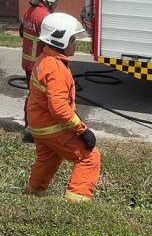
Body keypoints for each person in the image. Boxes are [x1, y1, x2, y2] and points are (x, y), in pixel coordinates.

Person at [24, 12, 101, 202]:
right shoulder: (56, 68)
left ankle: (32, 197)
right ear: (60, 41)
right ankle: (76, 205)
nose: (75, 44)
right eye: (72, 40)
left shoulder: (44, 59)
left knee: (48, 160)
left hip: (39, 125)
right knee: (89, 157)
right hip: (52, 126)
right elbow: (59, 109)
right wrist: (82, 130)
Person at [19, 0, 65, 141]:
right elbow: (52, 44)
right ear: (50, 0)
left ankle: (30, 127)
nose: (58, 5)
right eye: (57, 2)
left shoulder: (29, 11)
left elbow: (21, 31)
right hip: (39, 65)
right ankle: (34, 131)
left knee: (33, 96)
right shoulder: (45, 17)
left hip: (28, 63)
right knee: (40, 100)